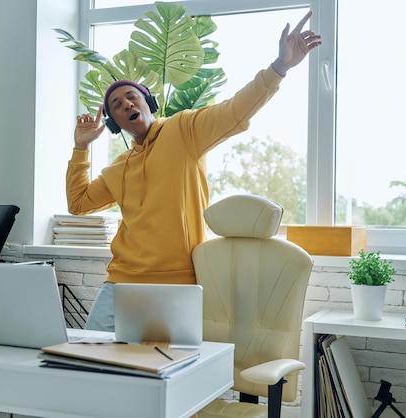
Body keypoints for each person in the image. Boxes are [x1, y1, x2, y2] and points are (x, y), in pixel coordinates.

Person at [67, 10, 322, 331]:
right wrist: (81, 149)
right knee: (87, 365)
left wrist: (280, 67)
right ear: (115, 124)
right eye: (117, 105)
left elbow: (235, 110)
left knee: (165, 375)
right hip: (120, 284)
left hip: (177, 285)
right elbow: (78, 203)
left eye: (132, 97)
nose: (126, 104)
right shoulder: (118, 169)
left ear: (148, 102)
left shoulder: (184, 130)